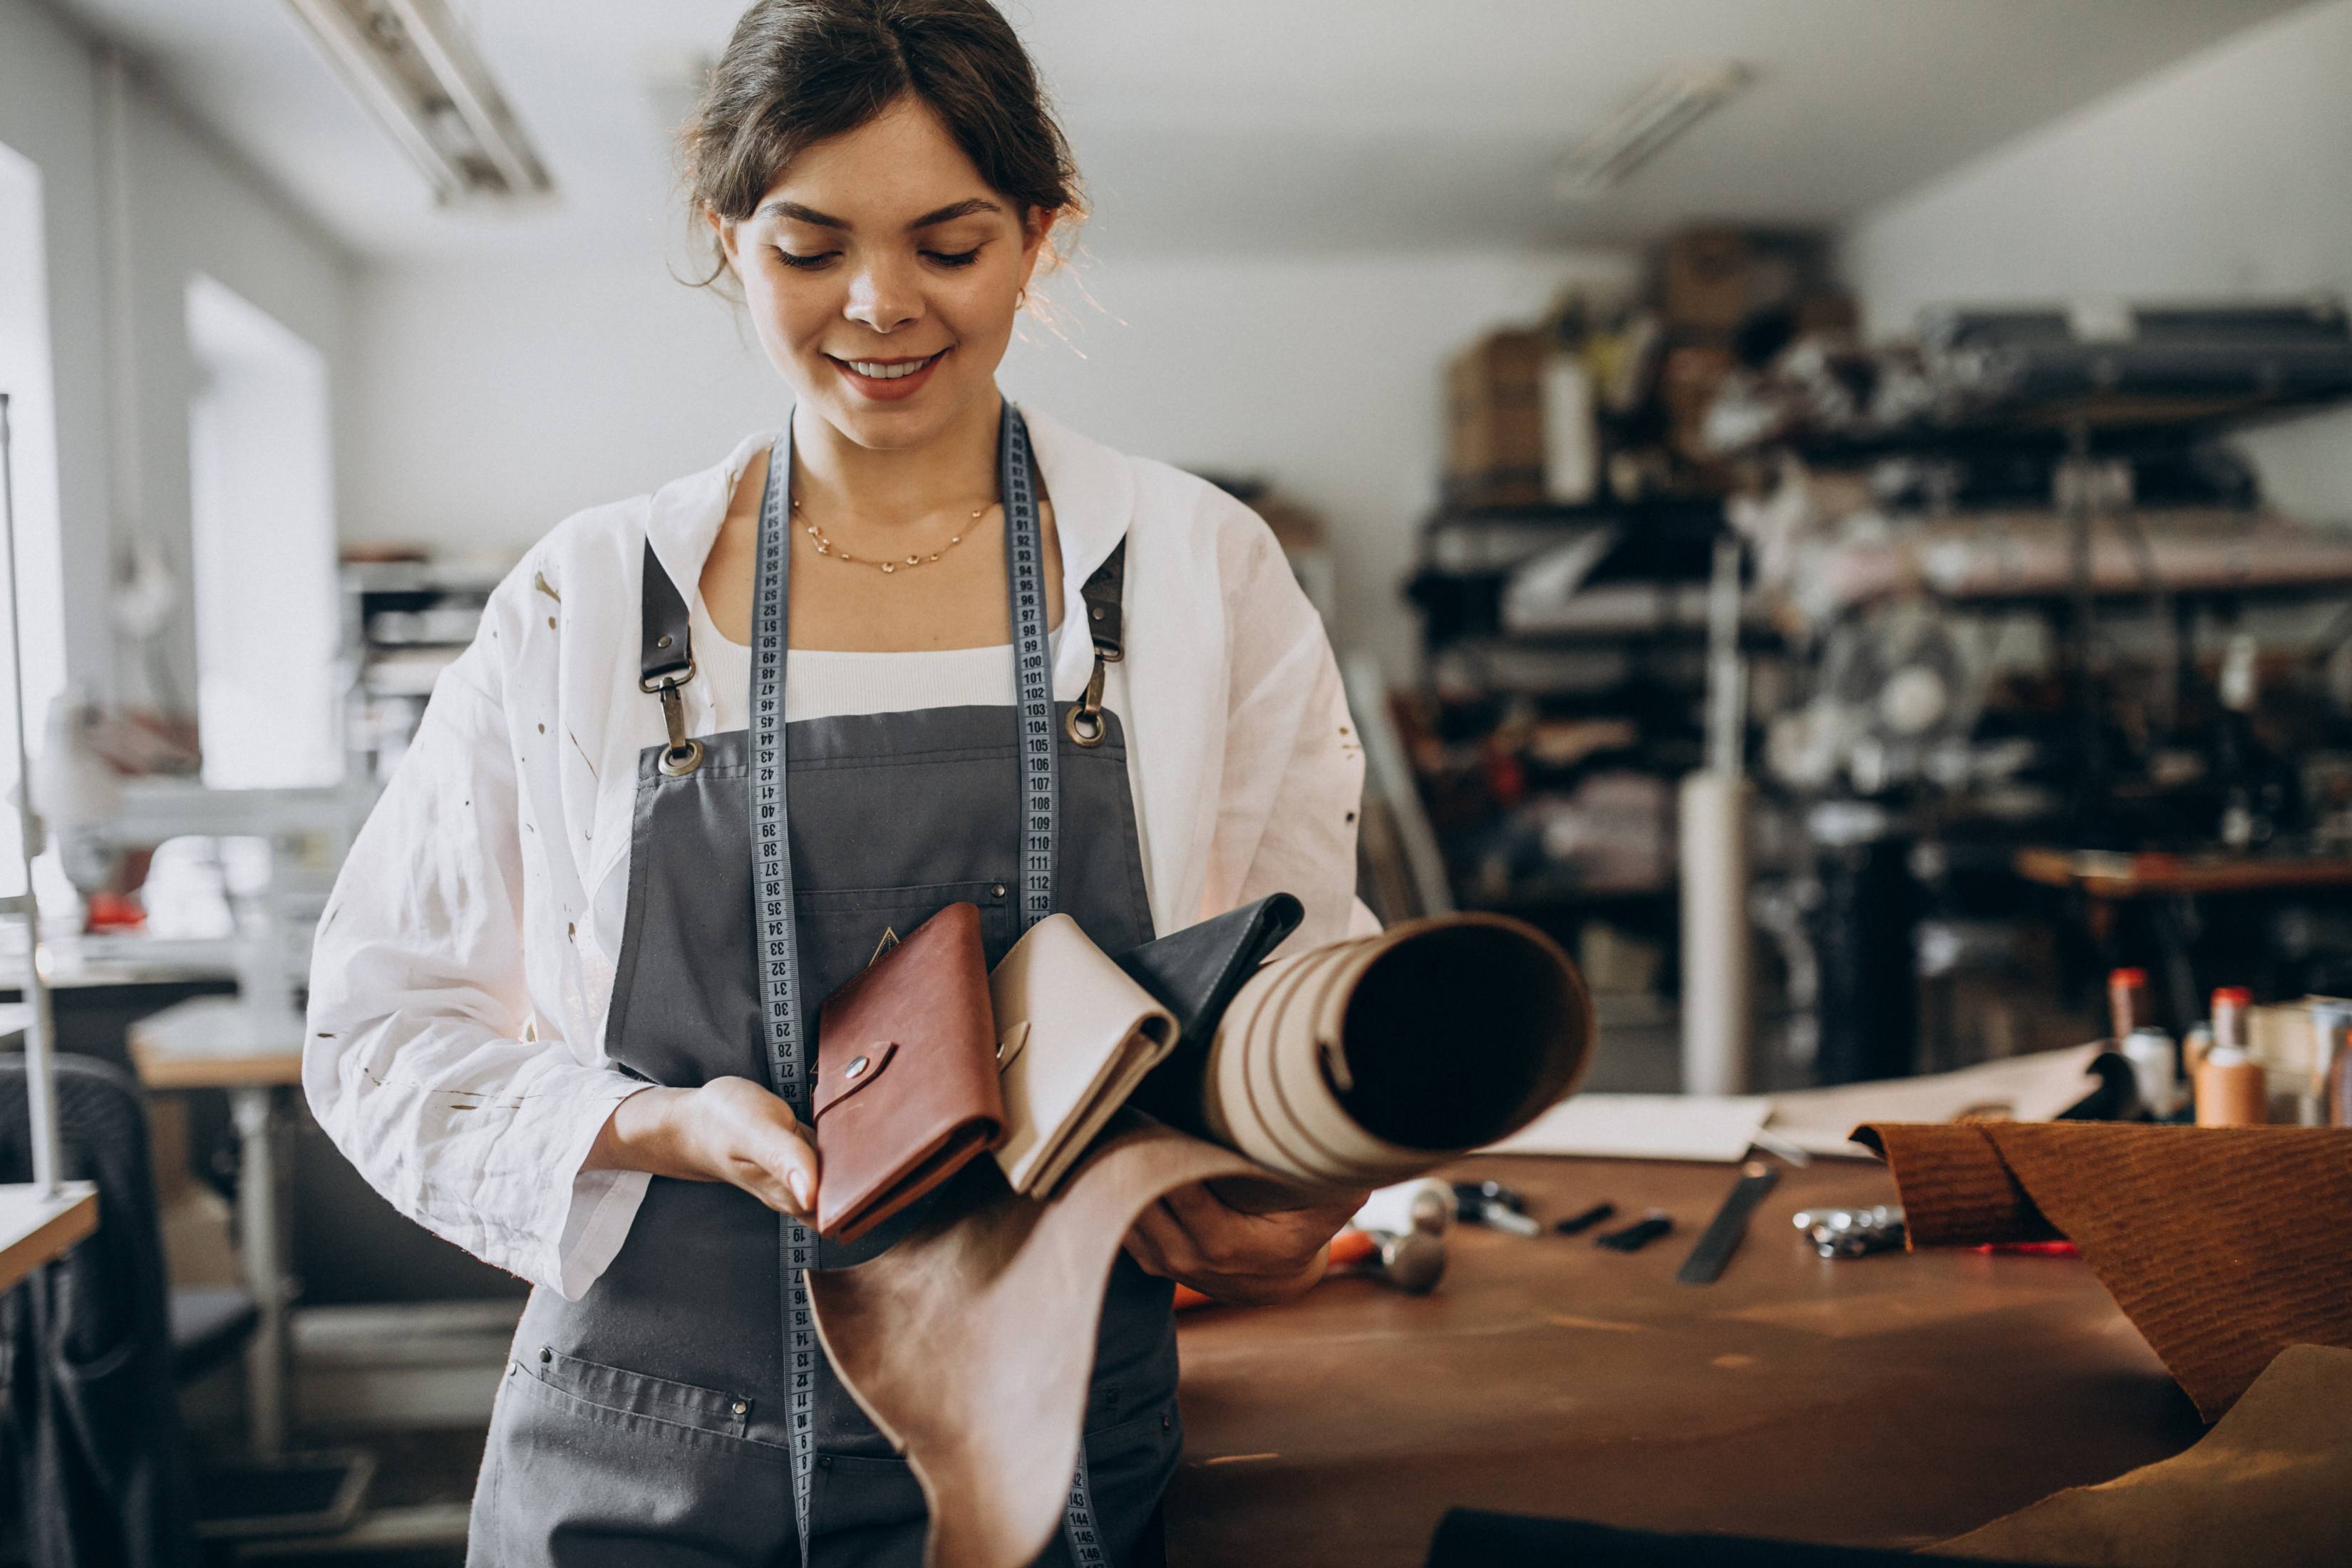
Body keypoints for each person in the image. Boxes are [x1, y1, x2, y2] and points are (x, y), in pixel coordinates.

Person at [304, 1, 1370, 1562]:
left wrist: (1289, 1181)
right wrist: (659, 1127)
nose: (880, 306)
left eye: (950, 244)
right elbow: (378, 1023)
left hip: (1061, 1455)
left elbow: (1303, 976)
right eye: (810, 247)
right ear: (725, 233)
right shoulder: (589, 599)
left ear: (1039, 238)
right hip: (645, 1469)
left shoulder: (1196, 569)